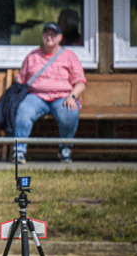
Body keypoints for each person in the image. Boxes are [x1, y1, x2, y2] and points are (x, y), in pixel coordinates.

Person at [10, 22, 86, 163]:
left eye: (53, 34)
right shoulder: (32, 56)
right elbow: (20, 80)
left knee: (70, 113)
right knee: (23, 111)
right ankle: (19, 151)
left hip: (62, 97)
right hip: (36, 96)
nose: (49, 37)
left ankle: (65, 149)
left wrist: (72, 97)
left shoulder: (70, 56)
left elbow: (81, 83)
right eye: (46, 34)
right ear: (42, 36)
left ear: (60, 37)